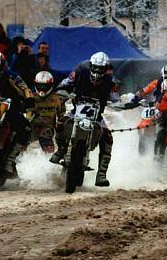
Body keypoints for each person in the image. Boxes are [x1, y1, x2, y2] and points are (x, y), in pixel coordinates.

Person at [50, 52, 118, 187]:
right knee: (61, 122)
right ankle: (61, 150)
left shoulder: (110, 81)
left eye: (101, 68)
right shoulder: (80, 71)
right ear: (91, 66)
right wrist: (62, 91)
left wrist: (120, 102)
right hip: (77, 111)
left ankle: (101, 174)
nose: (98, 71)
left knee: (108, 137)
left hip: (97, 116)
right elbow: (66, 83)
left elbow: (115, 96)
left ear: (105, 69)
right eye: (96, 68)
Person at [31, 71, 66, 153]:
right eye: (40, 86)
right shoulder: (30, 96)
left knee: (47, 135)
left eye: (45, 86)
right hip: (31, 127)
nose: (42, 89)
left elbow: (62, 116)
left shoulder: (58, 98)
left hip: (48, 128)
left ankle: (47, 161)